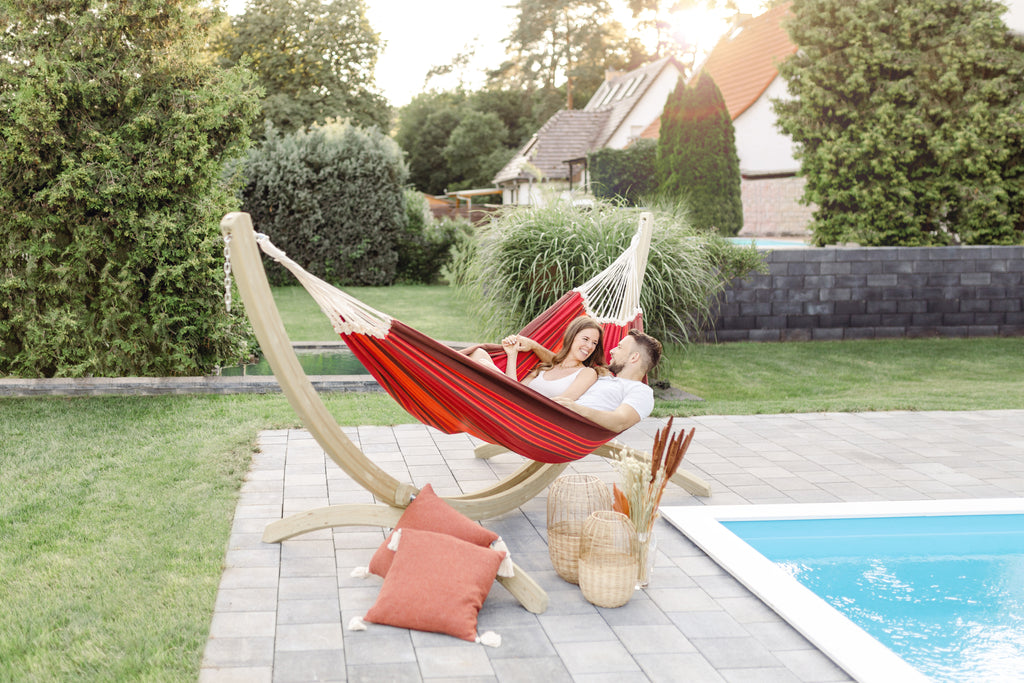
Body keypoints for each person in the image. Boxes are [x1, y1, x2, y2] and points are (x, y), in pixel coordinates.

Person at [466, 316, 607, 400]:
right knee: (478, 353)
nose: (589, 346)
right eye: (585, 339)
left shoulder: (587, 373)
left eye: (594, 343)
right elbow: (516, 390)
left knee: (482, 362)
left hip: (535, 418)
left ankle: (492, 374)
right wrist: (512, 354)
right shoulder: (546, 366)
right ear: (572, 337)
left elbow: (563, 404)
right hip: (514, 404)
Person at [552, 329, 662, 433]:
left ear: (634, 357)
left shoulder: (640, 391)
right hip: (553, 416)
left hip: (566, 429)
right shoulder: (602, 376)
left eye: (619, 347)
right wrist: (535, 346)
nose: (611, 351)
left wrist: (574, 408)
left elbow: (620, 422)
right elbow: (561, 365)